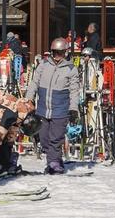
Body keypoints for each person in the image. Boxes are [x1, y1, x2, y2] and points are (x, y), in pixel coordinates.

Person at [28, 38, 83, 174]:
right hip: (43, 109)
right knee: (44, 138)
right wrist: (28, 100)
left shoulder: (71, 69)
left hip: (60, 109)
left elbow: (74, 90)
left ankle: (52, 164)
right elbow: (34, 83)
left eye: (60, 53)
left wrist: (73, 108)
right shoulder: (43, 64)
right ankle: (55, 160)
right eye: (55, 53)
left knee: (56, 138)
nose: (57, 56)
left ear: (65, 53)